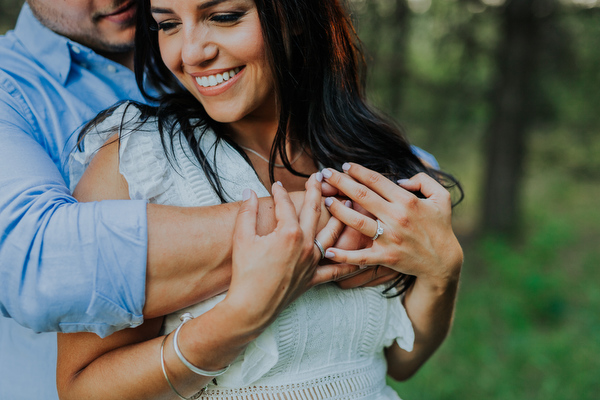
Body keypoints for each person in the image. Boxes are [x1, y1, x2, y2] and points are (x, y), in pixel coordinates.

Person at [0, 1, 411, 398]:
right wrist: (347, 216)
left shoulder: (345, 143)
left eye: (225, 16)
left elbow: (400, 350)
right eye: (167, 23)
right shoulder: (123, 146)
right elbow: (34, 261)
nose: (193, 54)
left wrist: (436, 261)